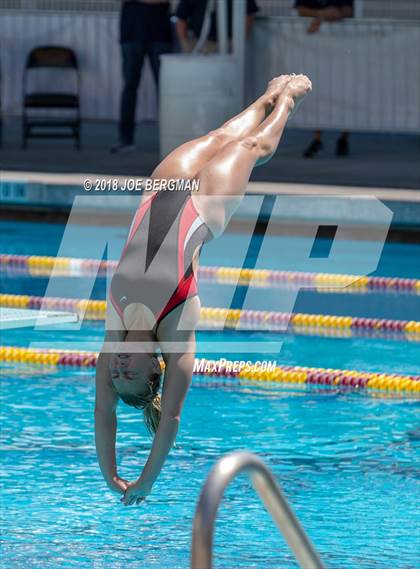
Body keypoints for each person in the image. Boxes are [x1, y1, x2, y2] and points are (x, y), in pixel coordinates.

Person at [95, 74, 312, 506]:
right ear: (153, 371)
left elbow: (104, 414)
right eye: (129, 375)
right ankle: (286, 101)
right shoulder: (177, 330)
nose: (117, 368)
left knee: (217, 136)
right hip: (204, 206)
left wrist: (110, 474)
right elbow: (170, 417)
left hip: (159, 191)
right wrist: (146, 480)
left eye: (114, 375)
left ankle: (265, 97)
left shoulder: (114, 332)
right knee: (247, 149)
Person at [295, 0, 354, 158]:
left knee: (346, 92)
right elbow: (301, 10)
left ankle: (344, 138)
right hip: (316, 52)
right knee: (316, 91)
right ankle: (317, 138)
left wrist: (320, 18)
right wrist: (322, 15)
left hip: (343, 51)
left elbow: (346, 12)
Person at [112, 0, 172, 154]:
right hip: (131, 32)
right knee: (129, 87)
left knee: (166, 89)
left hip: (160, 32)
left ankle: (170, 138)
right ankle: (125, 139)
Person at [175, 0, 259, 54]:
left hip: (230, 45)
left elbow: (249, 14)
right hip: (201, 46)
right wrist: (185, 43)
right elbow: (181, 17)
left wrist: (240, 41)